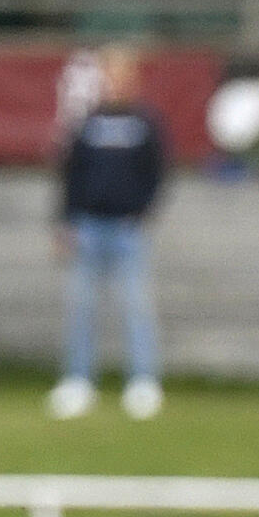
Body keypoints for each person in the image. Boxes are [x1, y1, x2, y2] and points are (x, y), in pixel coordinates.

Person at [47, 44, 168, 421]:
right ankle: (78, 381)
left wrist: (143, 210)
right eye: (109, 76)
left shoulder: (145, 123)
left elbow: (157, 173)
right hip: (88, 227)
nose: (114, 83)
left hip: (127, 229)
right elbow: (70, 175)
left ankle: (143, 382)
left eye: (120, 76)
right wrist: (65, 222)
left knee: (136, 308)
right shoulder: (87, 123)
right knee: (81, 309)